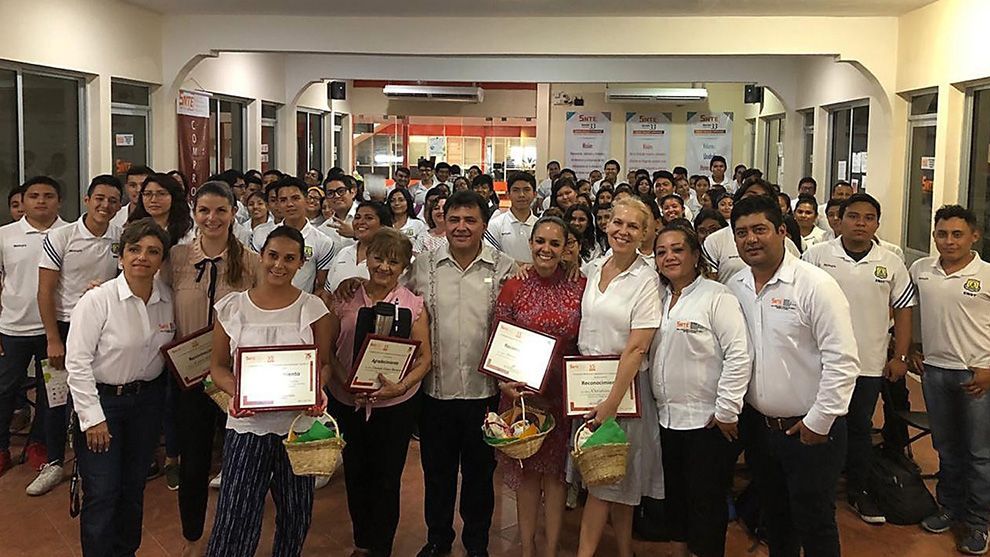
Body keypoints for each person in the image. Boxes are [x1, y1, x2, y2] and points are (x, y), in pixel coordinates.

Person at [729, 195, 859, 557]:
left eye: (760, 230)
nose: (751, 239)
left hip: (811, 431)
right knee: (776, 518)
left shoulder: (815, 285)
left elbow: (843, 359)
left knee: (815, 523)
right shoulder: (736, 285)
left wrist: (820, 421)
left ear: (782, 232)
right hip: (759, 428)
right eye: (741, 233)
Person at [205, 225, 330, 557]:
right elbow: (217, 367)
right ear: (261, 257)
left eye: (290, 259)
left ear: (301, 264)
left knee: (296, 513)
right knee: (236, 513)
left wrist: (317, 389)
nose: (279, 265)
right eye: (273, 256)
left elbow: (324, 363)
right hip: (248, 426)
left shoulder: (312, 308)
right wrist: (238, 391)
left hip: (296, 427)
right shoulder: (232, 308)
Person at [405, 190, 517, 557]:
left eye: (470, 220)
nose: (461, 227)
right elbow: (399, 307)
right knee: (436, 475)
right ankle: (438, 539)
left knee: (480, 477)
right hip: (435, 392)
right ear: (442, 222)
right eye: (454, 220)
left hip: (485, 393)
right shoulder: (422, 266)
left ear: (484, 224)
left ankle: (477, 542)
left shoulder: (505, 267)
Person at [802, 193, 915, 526]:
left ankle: (859, 489)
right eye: (853, 216)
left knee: (859, 428)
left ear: (877, 223)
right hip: (818, 363)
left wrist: (901, 356)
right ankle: (815, 489)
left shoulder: (891, 261)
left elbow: (905, 311)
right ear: (839, 219)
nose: (860, 223)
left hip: (867, 364)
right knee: (818, 424)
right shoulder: (816, 256)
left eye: (868, 218)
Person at [65, 218, 175, 557]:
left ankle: (126, 551)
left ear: (161, 260)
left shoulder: (166, 298)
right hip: (104, 405)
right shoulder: (98, 300)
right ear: (121, 256)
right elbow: (77, 363)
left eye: (153, 251)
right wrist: (92, 418)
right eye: (135, 249)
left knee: (133, 488)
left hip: (147, 403)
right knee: (102, 491)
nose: (143, 257)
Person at [163, 181, 257, 554]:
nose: (212, 218)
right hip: (188, 379)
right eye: (205, 211)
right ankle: (192, 534)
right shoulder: (177, 257)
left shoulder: (251, 261)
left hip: (234, 377)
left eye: (221, 210)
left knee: (238, 459)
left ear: (234, 213)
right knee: (194, 459)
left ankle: (233, 534)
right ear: (194, 212)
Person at [326, 228, 432, 557]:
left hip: (395, 406)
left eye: (393, 261)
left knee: (387, 478)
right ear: (367, 257)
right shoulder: (345, 296)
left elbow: (425, 358)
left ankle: (382, 546)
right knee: (355, 473)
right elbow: (328, 348)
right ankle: (362, 541)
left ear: (403, 266)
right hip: (348, 401)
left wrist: (400, 386)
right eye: (378, 258)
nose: (384, 266)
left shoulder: (413, 304)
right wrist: (346, 383)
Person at [650, 222, 749, 557]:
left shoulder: (716, 297)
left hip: (707, 421)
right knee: (675, 496)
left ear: (695, 254)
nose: (669, 257)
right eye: (661, 252)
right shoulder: (658, 297)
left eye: (678, 249)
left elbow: (739, 354)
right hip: (666, 418)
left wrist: (726, 410)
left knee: (706, 502)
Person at [575, 196, 663, 557]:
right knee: (613, 481)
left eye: (632, 226)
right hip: (587, 381)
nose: (623, 231)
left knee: (605, 484)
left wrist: (611, 402)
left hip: (624, 389)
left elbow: (638, 346)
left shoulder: (648, 278)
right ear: (606, 225)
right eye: (617, 223)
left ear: (645, 234)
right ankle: (625, 551)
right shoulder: (594, 268)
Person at [495, 216, 585, 557]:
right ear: (530, 244)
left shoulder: (580, 285)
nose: (546, 249)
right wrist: (503, 383)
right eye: (540, 242)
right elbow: (498, 335)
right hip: (521, 395)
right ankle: (528, 548)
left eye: (555, 243)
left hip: (561, 395)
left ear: (565, 249)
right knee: (528, 472)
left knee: (556, 477)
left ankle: (550, 549)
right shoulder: (514, 285)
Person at [31, 175, 123, 496]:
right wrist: (53, 338)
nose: (105, 205)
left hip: (104, 328)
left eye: (112, 200)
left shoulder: (120, 238)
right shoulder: (61, 237)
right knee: (55, 399)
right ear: (86, 200)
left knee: (93, 397)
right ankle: (54, 463)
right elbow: (45, 291)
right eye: (99, 198)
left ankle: (89, 464)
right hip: (66, 327)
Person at [909, 205, 990, 554]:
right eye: (942, 234)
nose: (949, 241)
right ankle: (949, 508)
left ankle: (978, 522)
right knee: (946, 448)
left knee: (979, 454)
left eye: (957, 234)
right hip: (934, 372)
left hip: (977, 376)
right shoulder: (921, 270)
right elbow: (907, 309)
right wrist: (910, 345)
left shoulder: (987, 274)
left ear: (974, 236)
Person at [0, 176, 67, 477]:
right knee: (4, 389)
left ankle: (41, 443)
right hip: (11, 329)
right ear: (23, 201)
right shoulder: (5, 235)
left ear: (59, 201)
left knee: (52, 392)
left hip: (54, 330)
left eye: (48, 196)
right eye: (34, 196)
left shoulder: (69, 233)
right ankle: (2, 447)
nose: (41, 201)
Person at [702, 179, 800, 284]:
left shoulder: (787, 245)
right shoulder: (714, 241)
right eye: (751, 197)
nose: (751, 239)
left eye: (763, 198)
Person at [252, 177, 334, 294]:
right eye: (283, 200)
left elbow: (321, 286)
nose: (289, 204)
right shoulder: (261, 235)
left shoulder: (323, 241)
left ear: (306, 200)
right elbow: (254, 274)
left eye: (295, 198)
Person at [324, 201, 393, 294]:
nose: (360, 222)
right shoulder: (343, 253)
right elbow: (327, 292)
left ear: (383, 225)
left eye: (369, 218)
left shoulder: (393, 258)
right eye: (357, 217)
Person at [129, 173, 195, 247]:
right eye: (148, 194)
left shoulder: (188, 231)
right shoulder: (132, 227)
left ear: (174, 197)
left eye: (161, 194)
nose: (153, 200)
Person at [486, 171, 538, 263]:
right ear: (508, 194)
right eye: (516, 190)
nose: (521, 195)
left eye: (526, 190)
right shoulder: (495, 224)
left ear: (534, 194)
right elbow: (491, 256)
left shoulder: (540, 225)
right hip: (505, 276)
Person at [387, 187, 428, 252]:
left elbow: (420, 249)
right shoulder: (385, 224)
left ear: (408, 202)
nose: (396, 203)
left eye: (401, 200)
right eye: (392, 200)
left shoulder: (418, 224)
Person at [421, 187, 449, 253]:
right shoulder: (423, 236)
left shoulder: (457, 235)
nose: (441, 211)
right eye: (436, 208)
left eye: (444, 208)